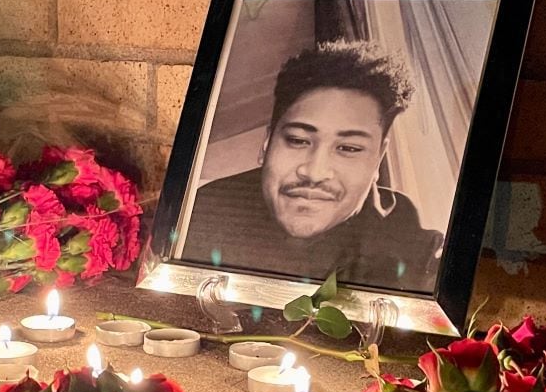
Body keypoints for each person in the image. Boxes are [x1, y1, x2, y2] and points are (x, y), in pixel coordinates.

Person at [180, 39, 445, 294]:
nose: (315, 173)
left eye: (349, 148)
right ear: (267, 142)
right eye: (298, 140)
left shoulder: (412, 244)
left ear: (378, 158)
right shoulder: (204, 213)